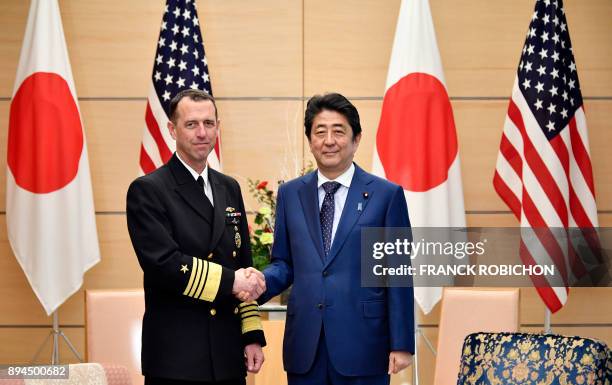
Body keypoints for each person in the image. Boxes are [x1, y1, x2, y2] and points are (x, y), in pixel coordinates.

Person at [257, 93, 415, 384]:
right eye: (320, 132)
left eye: (338, 131)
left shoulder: (386, 195)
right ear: (310, 140)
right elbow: (284, 262)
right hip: (306, 345)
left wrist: (402, 342)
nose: (329, 140)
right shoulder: (291, 194)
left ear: (356, 139)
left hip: (365, 345)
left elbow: (397, 273)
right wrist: (260, 283)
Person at [127, 89, 266, 385]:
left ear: (218, 127)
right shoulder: (149, 190)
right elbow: (164, 264)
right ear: (172, 130)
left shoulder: (229, 187)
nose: (202, 133)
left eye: (209, 123)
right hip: (177, 359)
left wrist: (252, 335)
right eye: (191, 124)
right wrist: (233, 281)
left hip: (227, 354)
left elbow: (243, 261)